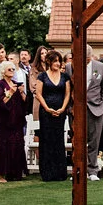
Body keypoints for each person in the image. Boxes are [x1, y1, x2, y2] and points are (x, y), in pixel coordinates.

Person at [66, 45, 103, 181]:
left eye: (88, 59)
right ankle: (78, 170)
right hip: (76, 110)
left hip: (96, 109)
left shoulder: (100, 67)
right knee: (78, 141)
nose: (86, 61)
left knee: (94, 141)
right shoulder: (69, 67)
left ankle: (92, 171)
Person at [35, 50, 71, 181]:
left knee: (58, 140)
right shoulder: (42, 76)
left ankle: (60, 172)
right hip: (46, 113)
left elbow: (67, 94)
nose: (58, 63)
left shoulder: (65, 77)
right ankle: (47, 173)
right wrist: (47, 108)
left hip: (60, 112)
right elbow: (38, 94)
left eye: (59, 61)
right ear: (49, 62)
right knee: (47, 140)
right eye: (55, 61)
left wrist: (62, 108)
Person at [0, 60, 26, 182]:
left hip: (17, 120)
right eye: (9, 69)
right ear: (3, 71)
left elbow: (23, 102)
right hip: (4, 120)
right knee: (3, 145)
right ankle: (0, 174)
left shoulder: (16, 84)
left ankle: (15, 172)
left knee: (17, 144)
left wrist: (21, 92)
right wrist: (10, 92)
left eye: (13, 69)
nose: (12, 71)